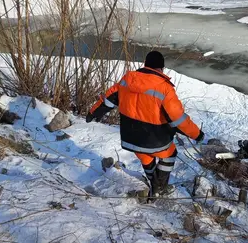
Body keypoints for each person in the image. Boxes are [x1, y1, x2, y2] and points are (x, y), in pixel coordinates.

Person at [86, 51, 205, 198]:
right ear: (161, 68)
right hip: (154, 140)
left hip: (130, 138)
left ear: (146, 64)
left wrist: (93, 113)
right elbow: (178, 118)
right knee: (169, 153)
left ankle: (153, 184)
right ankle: (159, 188)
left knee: (145, 156)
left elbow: (107, 100)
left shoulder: (127, 80)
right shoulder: (164, 88)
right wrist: (197, 134)